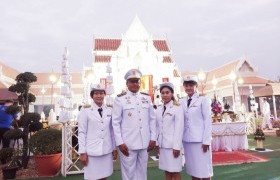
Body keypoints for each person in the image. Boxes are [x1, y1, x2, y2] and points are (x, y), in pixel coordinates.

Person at [112, 69, 156, 180]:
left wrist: (153, 138)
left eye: (137, 81)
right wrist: (120, 142)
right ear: (127, 84)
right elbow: (115, 122)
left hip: (144, 142)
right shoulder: (120, 99)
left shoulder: (146, 98)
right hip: (127, 144)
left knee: (142, 172)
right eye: (132, 81)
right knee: (129, 174)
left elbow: (152, 119)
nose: (135, 84)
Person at [78, 84, 117, 180]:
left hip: (106, 149)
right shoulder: (85, 110)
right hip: (92, 151)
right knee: (93, 177)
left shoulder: (110, 109)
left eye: (101, 93)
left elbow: (112, 131)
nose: (99, 96)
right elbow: (82, 132)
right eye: (96, 93)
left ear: (104, 95)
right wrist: (82, 152)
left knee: (104, 176)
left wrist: (114, 148)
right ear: (92, 96)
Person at [180, 76, 213, 180]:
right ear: (184, 87)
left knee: (204, 170)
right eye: (186, 85)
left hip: (200, 141)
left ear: (196, 86)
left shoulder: (203, 100)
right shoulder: (182, 101)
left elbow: (207, 121)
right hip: (188, 141)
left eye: (191, 85)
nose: (189, 88)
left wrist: (206, 141)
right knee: (193, 170)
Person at [156, 82, 184, 180]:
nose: (165, 95)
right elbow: (158, 128)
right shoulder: (159, 109)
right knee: (167, 171)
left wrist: (176, 146)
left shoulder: (177, 108)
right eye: (163, 93)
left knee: (175, 172)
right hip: (163, 146)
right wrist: (157, 143)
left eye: (167, 92)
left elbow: (179, 128)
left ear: (172, 94)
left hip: (173, 146)